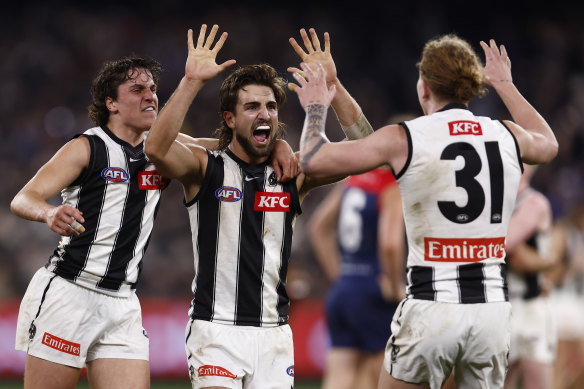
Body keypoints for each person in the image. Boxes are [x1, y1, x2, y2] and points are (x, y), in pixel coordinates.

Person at [9, 54, 297, 388]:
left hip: (123, 303)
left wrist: (278, 145)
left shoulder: (165, 148)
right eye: (137, 89)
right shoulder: (87, 147)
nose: (150, 96)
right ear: (111, 103)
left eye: (153, 88)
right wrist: (48, 212)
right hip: (70, 290)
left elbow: (233, 149)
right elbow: (23, 199)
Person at [291, 35, 558, 388]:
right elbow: (548, 142)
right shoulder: (506, 133)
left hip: (431, 307)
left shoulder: (407, 138)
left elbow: (313, 159)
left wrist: (316, 105)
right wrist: (505, 85)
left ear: (424, 85)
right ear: (470, 86)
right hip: (492, 311)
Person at [144, 25, 370, 388]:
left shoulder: (294, 172)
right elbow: (155, 148)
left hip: (273, 336)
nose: (264, 114)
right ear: (230, 120)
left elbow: (369, 150)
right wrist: (190, 81)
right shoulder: (206, 167)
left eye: (270, 107)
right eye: (251, 107)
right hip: (216, 331)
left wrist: (335, 86)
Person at [309, 168, 405, 389]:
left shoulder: (352, 180)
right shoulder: (390, 183)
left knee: (339, 378)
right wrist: (393, 285)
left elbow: (318, 226)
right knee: (380, 379)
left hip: (343, 291)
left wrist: (341, 276)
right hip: (374, 291)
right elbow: (390, 243)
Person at [504, 164, 558, 389]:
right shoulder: (495, 203)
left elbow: (502, 244)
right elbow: (518, 256)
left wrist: (547, 261)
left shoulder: (533, 202)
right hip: (501, 307)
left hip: (530, 307)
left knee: (536, 379)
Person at [546, 200, 584, 389]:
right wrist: (570, 266)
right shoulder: (565, 232)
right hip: (561, 301)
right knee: (559, 362)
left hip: (578, 302)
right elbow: (550, 273)